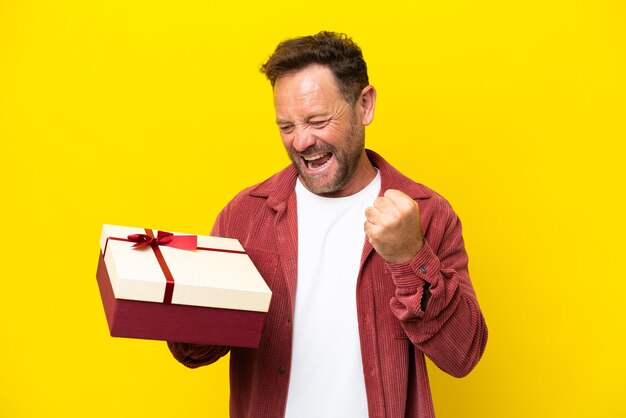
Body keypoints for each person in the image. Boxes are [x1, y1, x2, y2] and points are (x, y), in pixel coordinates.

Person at [168, 31, 488, 418]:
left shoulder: (427, 213)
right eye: (286, 127)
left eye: (318, 120)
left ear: (364, 105)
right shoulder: (245, 215)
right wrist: (178, 299)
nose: (302, 142)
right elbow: (195, 352)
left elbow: (463, 354)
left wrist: (410, 256)